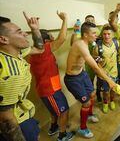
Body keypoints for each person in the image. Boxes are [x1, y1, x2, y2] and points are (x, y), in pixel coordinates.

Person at [64, 22, 117, 138]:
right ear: (85, 34)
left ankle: (89, 114)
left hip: (81, 74)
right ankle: (83, 128)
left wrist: (96, 57)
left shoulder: (85, 42)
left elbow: (85, 55)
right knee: (86, 102)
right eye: (93, 33)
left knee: (92, 93)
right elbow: (95, 68)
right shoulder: (81, 45)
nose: (96, 36)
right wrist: (110, 81)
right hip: (73, 79)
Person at [29, 11, 74, 140]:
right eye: (51, 37)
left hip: (49, 88)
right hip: (50, 90)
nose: (53, 40)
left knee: (54, 111)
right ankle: (62, 135)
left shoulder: (38, 52)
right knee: (64, 111)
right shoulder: (43, 50)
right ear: (45, 41)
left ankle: (54, 127)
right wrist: (65, 19)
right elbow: (62, 39)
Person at [0, 12, 44, 141]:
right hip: (16, 123)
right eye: (19, 32)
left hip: (21, 114)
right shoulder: (10, 73)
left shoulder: (13, 52)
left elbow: (39, 49)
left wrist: (35, 29)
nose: (25, 34)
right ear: (3, 39)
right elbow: (5, 118)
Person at [92, 25, 118, 114]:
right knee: (106, 92)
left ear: (113, 35)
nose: (106, 36)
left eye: (109, 34)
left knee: (113, 89)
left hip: (114, 72)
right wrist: (100, 62)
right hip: (103, 75)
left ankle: (112, 101)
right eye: (104, 34)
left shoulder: (116, 43)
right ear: (102, 35)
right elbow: (95, 60)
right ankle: (105, 103)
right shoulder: (98, 47)